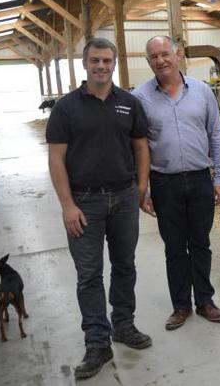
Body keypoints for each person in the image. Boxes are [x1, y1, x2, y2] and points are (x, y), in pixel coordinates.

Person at [47, 37, 152, 380]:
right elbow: (57, 158)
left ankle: (123, 325)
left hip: (123, 198)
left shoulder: (129, 103)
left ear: (114, 63)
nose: (102, 67)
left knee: (125, 265)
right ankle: (97, 343)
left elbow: (140, 147)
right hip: (84, 202)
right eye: (95, 61)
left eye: (107, 61)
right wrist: (67, 205)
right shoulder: (66, 107)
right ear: (85, 63)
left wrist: (140, 187)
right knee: (89, 275)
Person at [132, 35, 220, 331]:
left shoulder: (201, 92)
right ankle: (181, 306)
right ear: (148, 62)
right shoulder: (140, 98)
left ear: (177, 55)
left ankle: (205, 301)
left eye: (165, 54)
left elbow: (216, 134)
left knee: (201, 243)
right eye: (153, 57)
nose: (160, 61)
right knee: (174, 248)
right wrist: (144, 188)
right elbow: (139, 147)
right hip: (165, 183)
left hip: (200, 179)